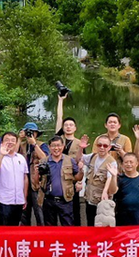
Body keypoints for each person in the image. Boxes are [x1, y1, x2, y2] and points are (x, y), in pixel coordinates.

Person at [55, 93, 89, 225]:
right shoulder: (59, 140)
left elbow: (83, 163)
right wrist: (60, 101)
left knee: (75, 210)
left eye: (71, 125)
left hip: (73, 178)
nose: (68, 126)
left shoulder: (80, 143)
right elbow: (59, 117)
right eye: (66, 125)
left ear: (75, 128)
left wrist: (81, 182)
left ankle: (77, 235)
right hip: (58, 177)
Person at [38, 136, 83, 226]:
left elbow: (78, 178)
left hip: (65, 200)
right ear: (49, 147)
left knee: (68, 226)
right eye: (53, 146)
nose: (56, 148)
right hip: (48, 199)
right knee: (50, 228)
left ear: (63, 146)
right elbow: (37, 182)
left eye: (58, 145)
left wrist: (81, 170)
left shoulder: (70, 160)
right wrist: (36, 172)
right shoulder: (43, 161)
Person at [0, 132, 29, 226]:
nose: (10, 142)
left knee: (14, 230)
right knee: (1, 230)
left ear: (16, 143)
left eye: (13, 140)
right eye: (7, 140)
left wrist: (24, 196)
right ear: (2, 143)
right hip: (2, 200)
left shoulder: (21, 158)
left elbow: (25, 178)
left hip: (18, 200)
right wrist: (2, 155)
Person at [80, 134, 118, 226]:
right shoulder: (93, 156)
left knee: (102, 227)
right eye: (99, 145)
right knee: (90, 225)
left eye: (105, 146)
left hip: (102, 203)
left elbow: (109, 178)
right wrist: (81, 148)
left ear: (109, 147)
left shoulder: (112, 162)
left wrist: (105, 191)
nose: (102, 148)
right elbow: (79, 158)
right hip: (89, 199)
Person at [19, 122, 48, 226]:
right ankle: (25, 238)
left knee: (39, 213)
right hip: (23, 184)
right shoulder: (21, 145)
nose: (30, 135)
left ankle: (42, 237)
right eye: (28, 132)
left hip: (36, 184)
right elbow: (11, 153)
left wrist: (34, 144)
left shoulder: (41, 145)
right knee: (23, 215)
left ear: (36, 134)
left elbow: (45, 158)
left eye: (32, 133)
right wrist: (19, 138)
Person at [113, 153, 139, 226]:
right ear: (122, 164)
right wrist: (113, 177)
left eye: (131, 162)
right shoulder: (119, 179)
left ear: (136, 164)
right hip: (121, 218)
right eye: (126, 162)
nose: (129, 164)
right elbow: (112, 194)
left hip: (138, 217)